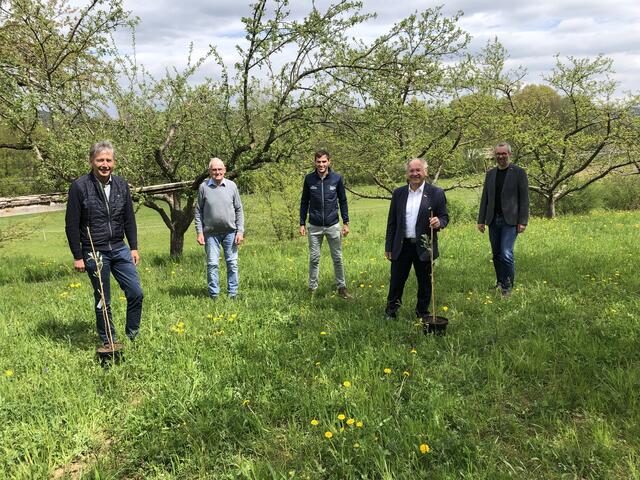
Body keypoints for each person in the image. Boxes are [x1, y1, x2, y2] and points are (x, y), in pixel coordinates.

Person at [65, 141, 143, 347]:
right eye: (100, 160)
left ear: (114, 162)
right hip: (94, 251)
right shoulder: (79, 187)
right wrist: (78, 256)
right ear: (92, 161)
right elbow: (71, 224)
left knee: (136, 292)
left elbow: (129, 219)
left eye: (108, 160)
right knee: (103, 299)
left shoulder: (121, 185)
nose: (105, 164)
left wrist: (133, 247)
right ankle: (108, 340)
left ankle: (132, 335)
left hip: (119, 247)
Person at [384, 158, 448, 321]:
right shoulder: (398, 193)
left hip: (424, 246)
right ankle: (391, 312)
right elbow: (392, 222)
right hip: (401, 245)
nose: (415, 174)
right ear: (407, 173)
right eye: (411, 171)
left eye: (418, 170)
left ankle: (422, 313)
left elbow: (444, 217)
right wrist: (388, 246)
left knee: (425, 283)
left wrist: (439, 222)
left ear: (425, 172)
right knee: (396, 281)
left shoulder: (436, 193)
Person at [477, 142, 529, 296]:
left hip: (510, 221)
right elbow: (485, 198)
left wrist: (523, 221)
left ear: (509, 155)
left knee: (506, 253)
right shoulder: (490, 174)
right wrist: (481, 220)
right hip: (493, 220)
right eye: (498, 154)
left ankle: (507, 288)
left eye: (503, 154)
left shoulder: (519, 173)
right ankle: (499, 283)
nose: (500, 157)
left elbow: (524, 199)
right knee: (496, 254)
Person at [299, 150, 352, 298]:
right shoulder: (309, 179)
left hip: (333, 225)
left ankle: (342, 288)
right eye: (318, 162)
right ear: (315, 162)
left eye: (324, 161)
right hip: (314, 226)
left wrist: (346, 222)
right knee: (314, 258)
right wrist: (302, 223)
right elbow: (304, 202)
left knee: (337, 258)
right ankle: (312, 289)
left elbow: (343, 201)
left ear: (329, 161)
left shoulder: (337, 179)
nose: (321, 164)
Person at [195, 157, 244, 299]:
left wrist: (240, 231)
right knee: (212, 264)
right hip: (210, 234)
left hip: (231, 232)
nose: (217, 172)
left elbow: (239, 209)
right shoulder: (203, 187)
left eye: (220, 169)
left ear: (225, 170)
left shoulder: (231, 186)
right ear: (210, 171)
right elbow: (198, 211)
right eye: (214, 170)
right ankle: (214, 295)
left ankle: (233, 294)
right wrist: (199, 232)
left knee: (232, 264)